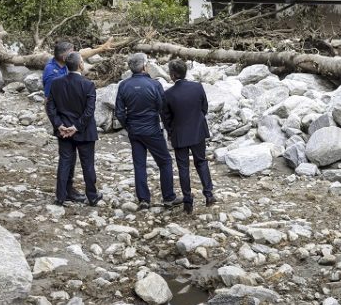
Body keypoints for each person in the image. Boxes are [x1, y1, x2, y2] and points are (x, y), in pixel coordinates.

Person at [114, 53, 182, 210]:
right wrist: (168, 129)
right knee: (165, 161)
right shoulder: (154, 84)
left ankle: (144, 199)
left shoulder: (123, 85)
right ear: (144, 66)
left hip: (134, 130)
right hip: (151, 129)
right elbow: (162, 109)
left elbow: (119, 112)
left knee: (139, 164)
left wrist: (128, 126)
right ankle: (168, 197)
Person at [45, 52, 101, 206]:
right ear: (80, 65)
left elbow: (50, 107)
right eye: (82, 61)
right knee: (87, 164)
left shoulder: (56, 83)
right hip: (84, 132)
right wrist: (76, 127)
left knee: (64, 163)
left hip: (63, 131)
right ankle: (92, 196)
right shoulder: (88, 84)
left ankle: (61, 196)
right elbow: (89, 111)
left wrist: (59, 125)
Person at [161, 59, 214, 215]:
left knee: (183, 167)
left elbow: (165, 117)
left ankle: (187, 200)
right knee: (201, 162)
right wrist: (197, 121)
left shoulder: (168, 94)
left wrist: (171, 131)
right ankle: (209, 194)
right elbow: (204, 107)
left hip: (179, 134)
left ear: (172, 75)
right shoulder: (197, 87)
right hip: (197, 131)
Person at [43, 41, 84, 202]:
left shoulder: (67, 65)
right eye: (72, 51)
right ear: (65, 56)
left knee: (70, 158)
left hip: (73, 118)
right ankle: (63, 193)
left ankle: (67, 189)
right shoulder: (51, 72)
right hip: (62, 120)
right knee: (66, 157)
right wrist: (57, 125)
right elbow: (48, 101)